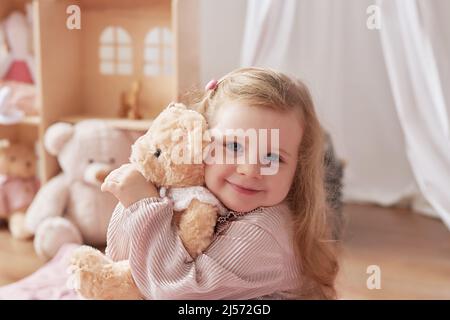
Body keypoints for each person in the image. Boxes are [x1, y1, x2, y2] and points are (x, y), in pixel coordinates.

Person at [102, 67, 339, 299]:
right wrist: (145, 191)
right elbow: (122, 260)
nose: (249, 170)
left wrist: (143, 205)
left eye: (273, 157)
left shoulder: (267, 231)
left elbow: (174, 294)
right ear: (201, 140)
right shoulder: (195, 193)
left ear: (298, 168)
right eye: (234, 147)